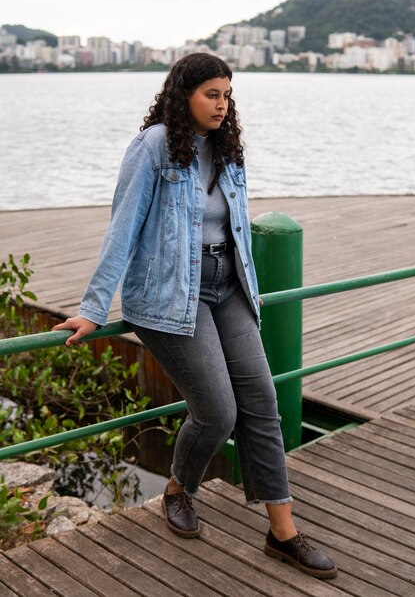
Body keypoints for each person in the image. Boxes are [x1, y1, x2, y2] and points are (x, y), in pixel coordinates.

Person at [53, 52, 337, 579]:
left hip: (227, 286)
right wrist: (94, 309)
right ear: (183, 94)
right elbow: (123, 227)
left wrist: (244, 287)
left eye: (228, 95)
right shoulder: (154, 146)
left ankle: (283, 533)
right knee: (218, 411)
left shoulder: (229, 150)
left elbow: (236, 228)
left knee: (262, 403)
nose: (222, 105)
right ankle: (181, 489)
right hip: (169, 295)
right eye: (212, 94)